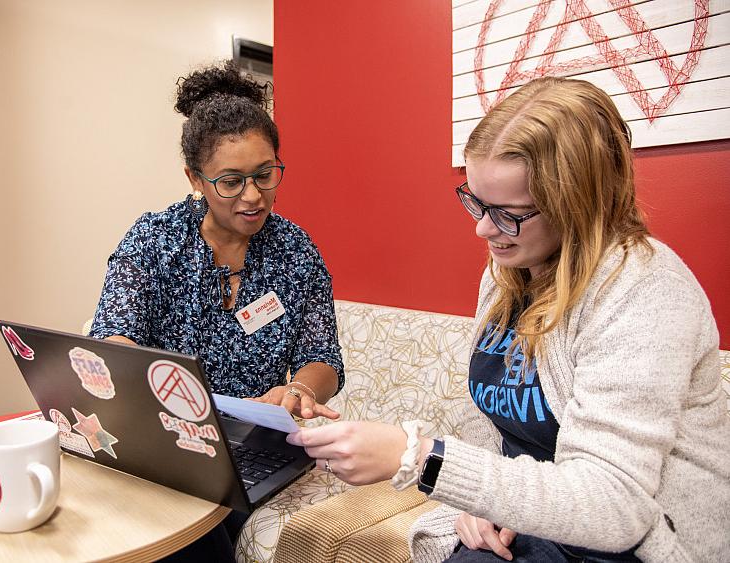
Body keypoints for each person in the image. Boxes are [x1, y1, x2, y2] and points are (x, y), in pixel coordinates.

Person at [286, 77, 730, 562]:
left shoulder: (644, 290)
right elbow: (490, 424)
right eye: (476, 202)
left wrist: (418, 458)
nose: (482, 228)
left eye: (509, 213)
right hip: (534, 521)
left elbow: (614, 506)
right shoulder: (505, 275)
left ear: (578, 205)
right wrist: (477, 500)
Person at [88, 62, 345, 561]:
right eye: (230, 181)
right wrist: (131, 376)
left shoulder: (297, 250)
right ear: (195, 178)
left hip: (259, 446)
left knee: (198, 523)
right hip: (171, 443)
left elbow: (324, 359)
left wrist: (298, 390)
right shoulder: (153, 241)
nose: (253, 196)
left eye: (265, 175)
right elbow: (113, 341)